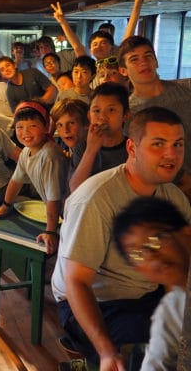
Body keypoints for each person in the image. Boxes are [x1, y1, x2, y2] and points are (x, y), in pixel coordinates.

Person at [51, 106, 190, 370]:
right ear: (132, 148)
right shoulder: (97, 198)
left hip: (145, 292)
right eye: (158, 144)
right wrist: (106, 351)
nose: (171, 154)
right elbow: (76, 282)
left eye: (178, 144)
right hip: (96, 300)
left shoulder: (175, 199)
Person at [112, 196, 190, 370]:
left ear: (187, 233)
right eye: (137, 255)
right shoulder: (172, 310)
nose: (150, 256)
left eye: (155, 240)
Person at [119, 35, 191, 200]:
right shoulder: (129, 113)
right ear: (123, 70)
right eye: (134, 59)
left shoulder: (186, 91)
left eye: (148, 56)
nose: (143, 62)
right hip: (165, 192)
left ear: (156, 61)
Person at [0, 102, 67, 254]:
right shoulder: (26, 152)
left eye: (33, 126)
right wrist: (6, 205)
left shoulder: (49, 155)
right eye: (20, 127)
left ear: (46, 127)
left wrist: (51, 232)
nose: (25, 132)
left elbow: (54, 198)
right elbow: (16, 181)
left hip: (67, 212)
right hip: (56, 209)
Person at [69, 82, 130, 193]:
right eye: (96, 111)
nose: (102, 117)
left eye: (111, 110)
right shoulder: (82, 147)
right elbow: (75, 189)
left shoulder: (132, 148)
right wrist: (91, 150)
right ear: (89, 116)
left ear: (125, 115)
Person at [50, 98, 89, 186]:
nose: (65, 130)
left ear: (86, 123)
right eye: (60, 125)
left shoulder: (89, 148)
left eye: (71, 123)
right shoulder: (73, 145)